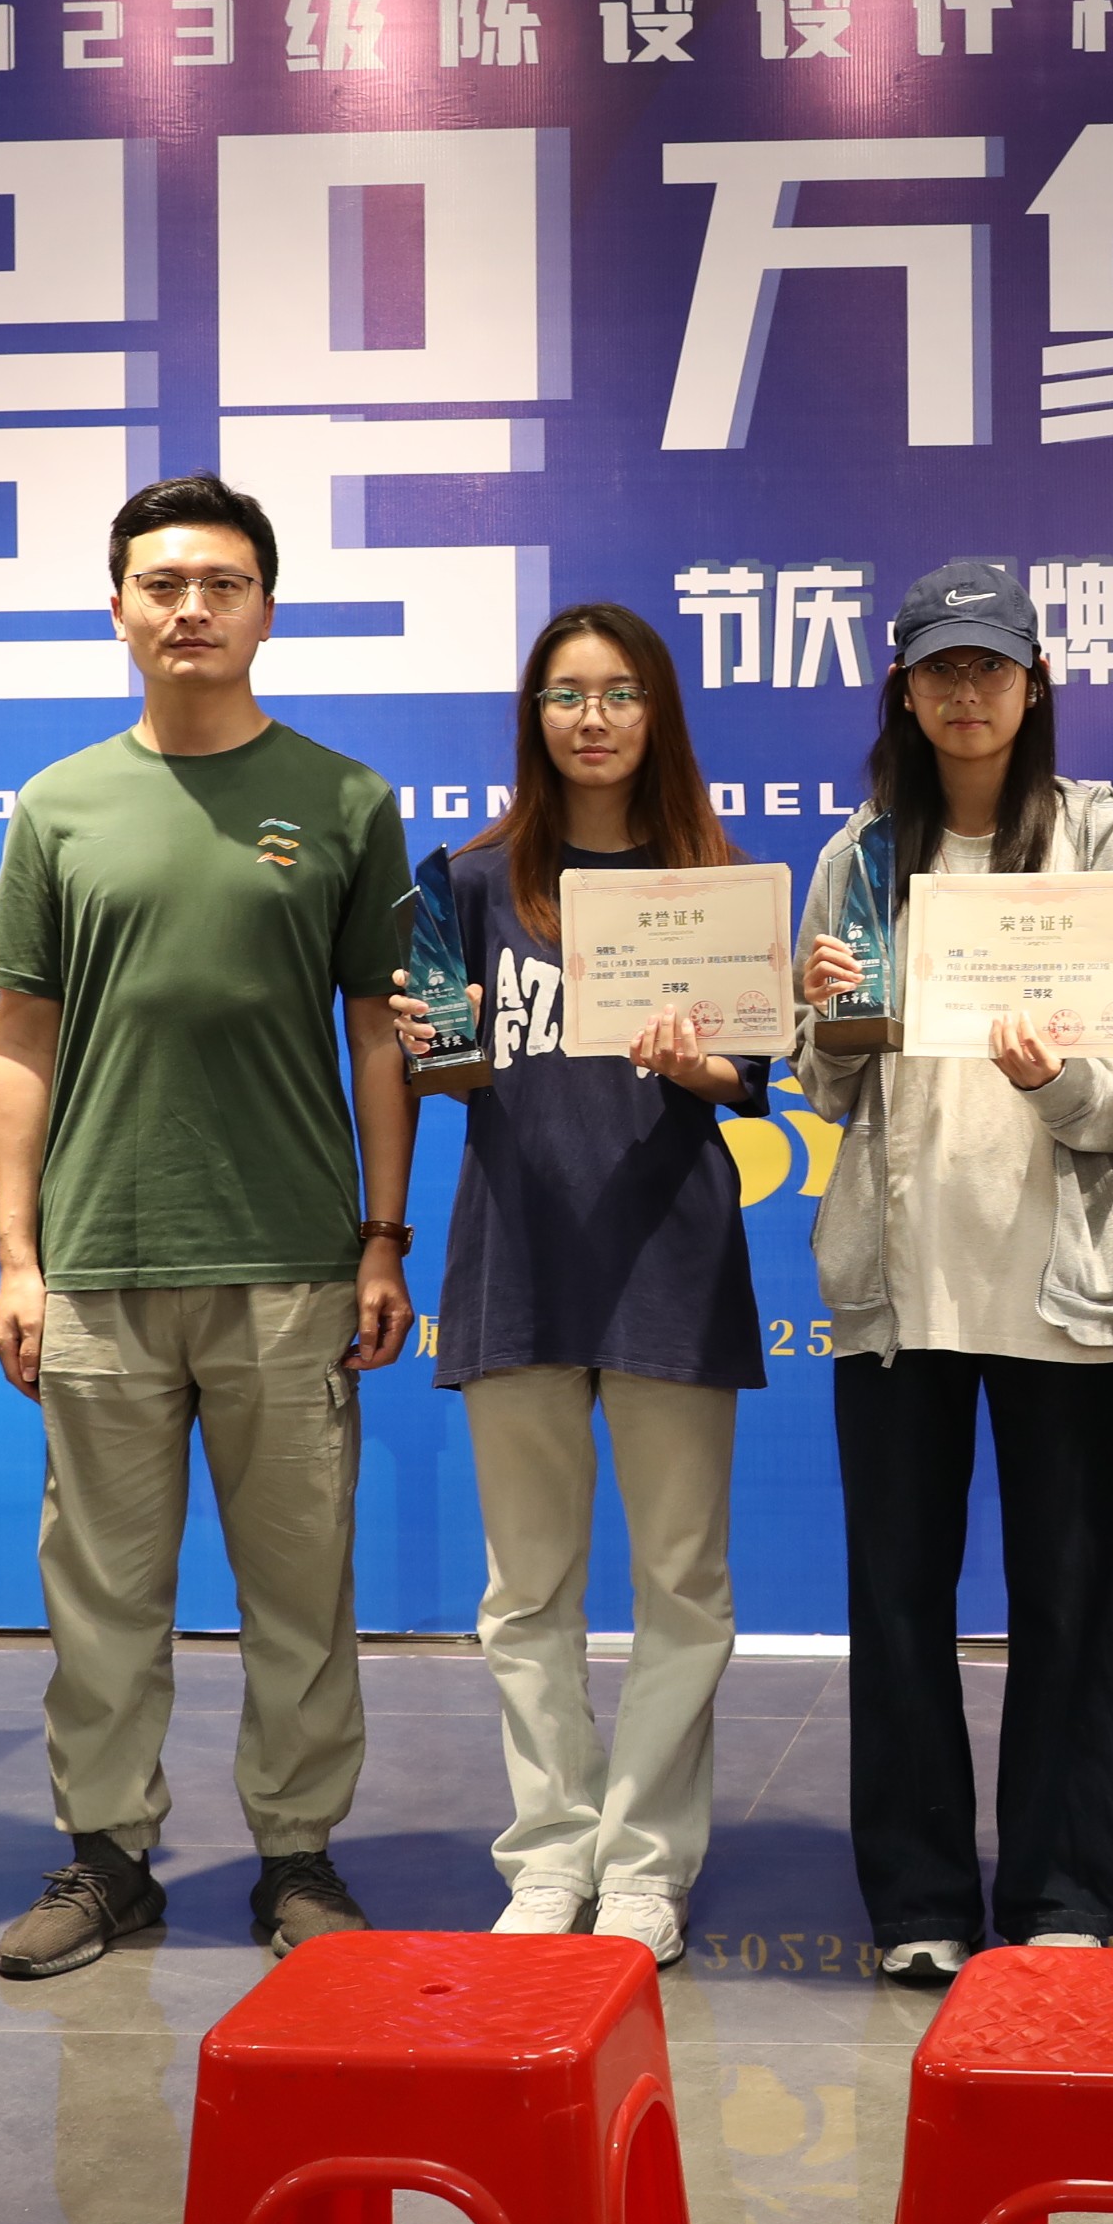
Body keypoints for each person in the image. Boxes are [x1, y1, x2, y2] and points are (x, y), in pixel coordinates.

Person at [0, 475, 418, 1980]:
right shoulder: (59, 804)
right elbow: (19, 1037)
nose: (191, 609)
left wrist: (383, 1236)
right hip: (101, 1259)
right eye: (161, 585)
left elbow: (379, 1033)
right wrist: (19, 1258)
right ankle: (109, 1858)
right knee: (101, 1595)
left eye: (222, 584)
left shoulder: (346, 800)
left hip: (292, 1261)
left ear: (266, 610)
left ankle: (298, 1857)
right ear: (117, 610)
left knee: (301, 1589)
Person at [789, 562, 1113, 1984]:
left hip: (1063, 1287)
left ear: (1034, 686)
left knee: (1068, 1608)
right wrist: (832, 1022)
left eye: (992, 667)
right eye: (940, 670)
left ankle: (1062, 1888)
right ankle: (917, 1900)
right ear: (902, 693)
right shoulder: (858, 856)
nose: (967, 694)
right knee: (896, 1605)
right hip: (899, 1291)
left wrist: (1058, 1080)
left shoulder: (1100, 840)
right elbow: (823, 1091)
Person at [394, 601, 768, 1969]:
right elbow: (438, 1069)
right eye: (566, 694)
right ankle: (550, 1853)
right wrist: (434, 1041)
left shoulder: (715, 879)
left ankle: (647, 1866)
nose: (593, 718)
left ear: (658, 712)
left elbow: (748, 1079)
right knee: (526, 1591)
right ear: (532, 716)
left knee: (683, 1584)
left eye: (619, 693)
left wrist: (695, 1065)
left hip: (672, 1256)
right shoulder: (465, 882)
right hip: (519, 1257)